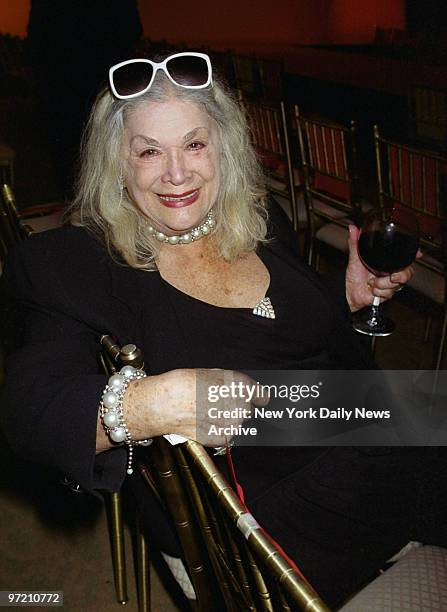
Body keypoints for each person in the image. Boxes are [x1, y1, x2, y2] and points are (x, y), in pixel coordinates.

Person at [1, 52, 443, 608]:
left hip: (343, 425)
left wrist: (349, 300)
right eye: (148, 151)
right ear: (116, 163)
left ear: (224, 148)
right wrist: (154, 402)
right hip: (255, 513)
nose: (177, 173)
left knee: (426, 414)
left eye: (194, 144)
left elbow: (304, 344)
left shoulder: (258, 218)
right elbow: (28, 410)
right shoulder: (74, 265)